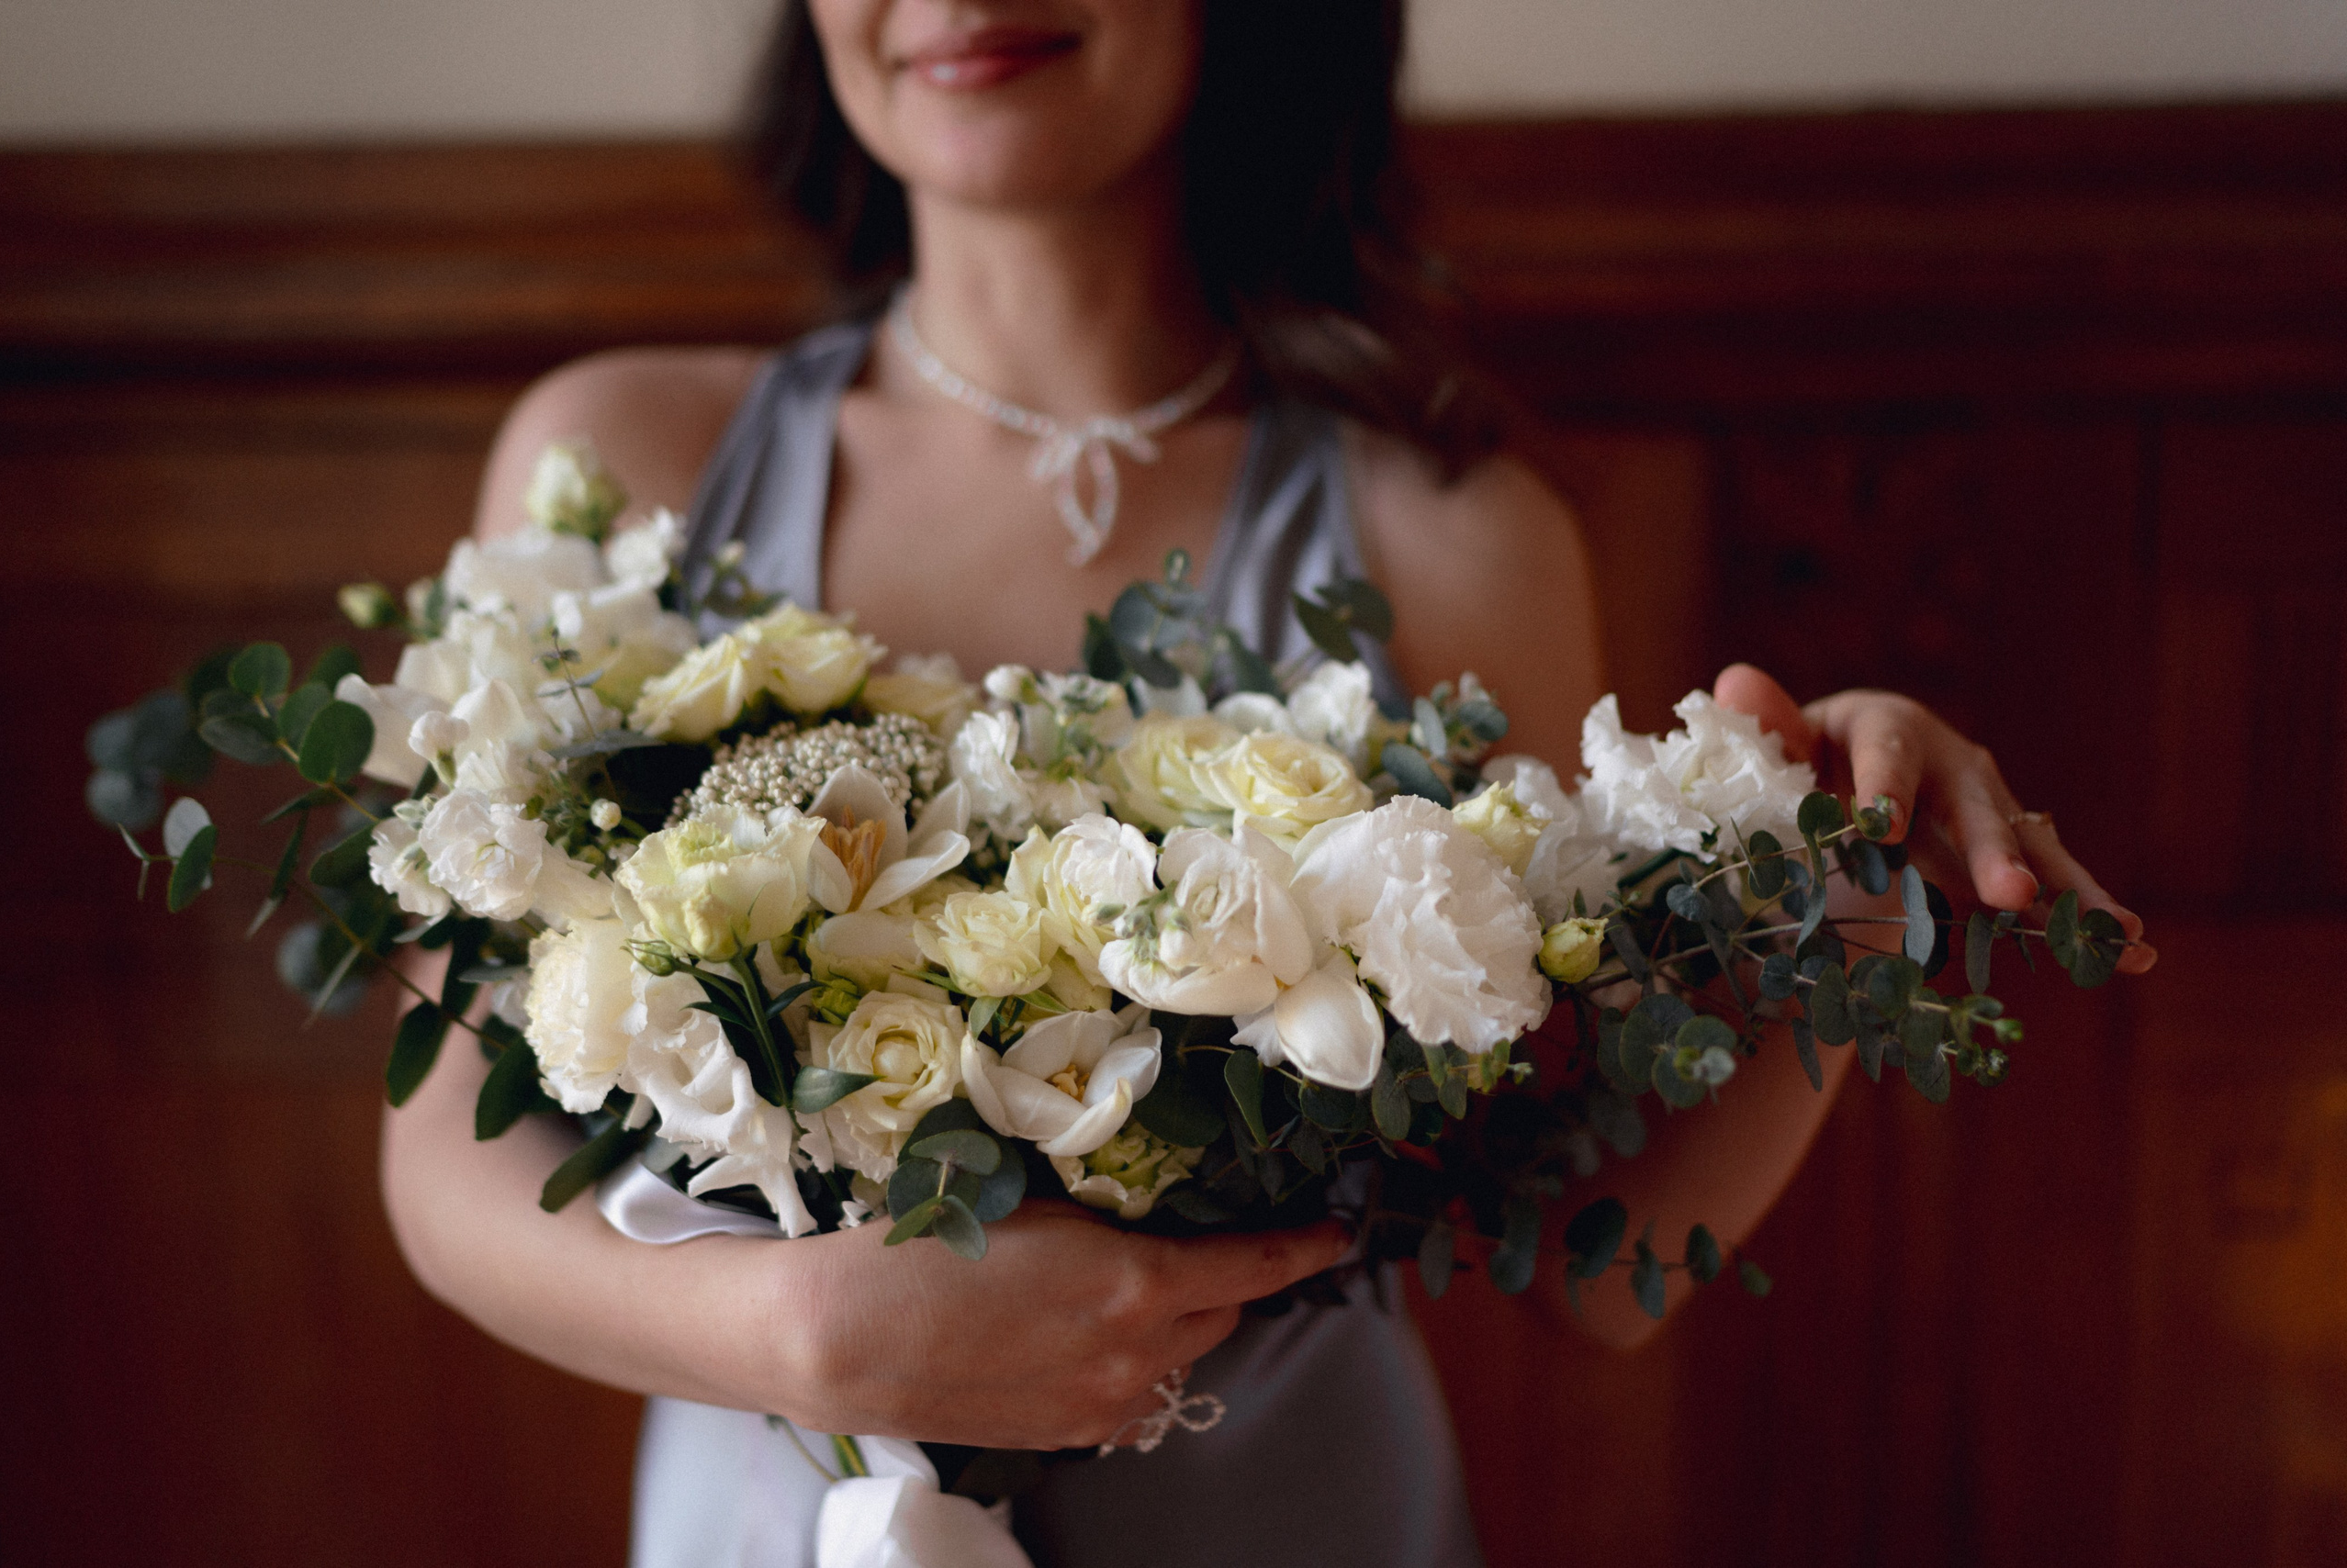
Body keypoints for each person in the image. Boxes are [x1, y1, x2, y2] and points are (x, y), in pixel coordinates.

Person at [380, 3, 2155, 1563]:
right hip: (770, 1520)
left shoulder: (1450, 536)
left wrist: (1825, 895)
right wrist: (801, 1337)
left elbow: (1580, 1259)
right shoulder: (621, 469)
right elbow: (443, 1152)